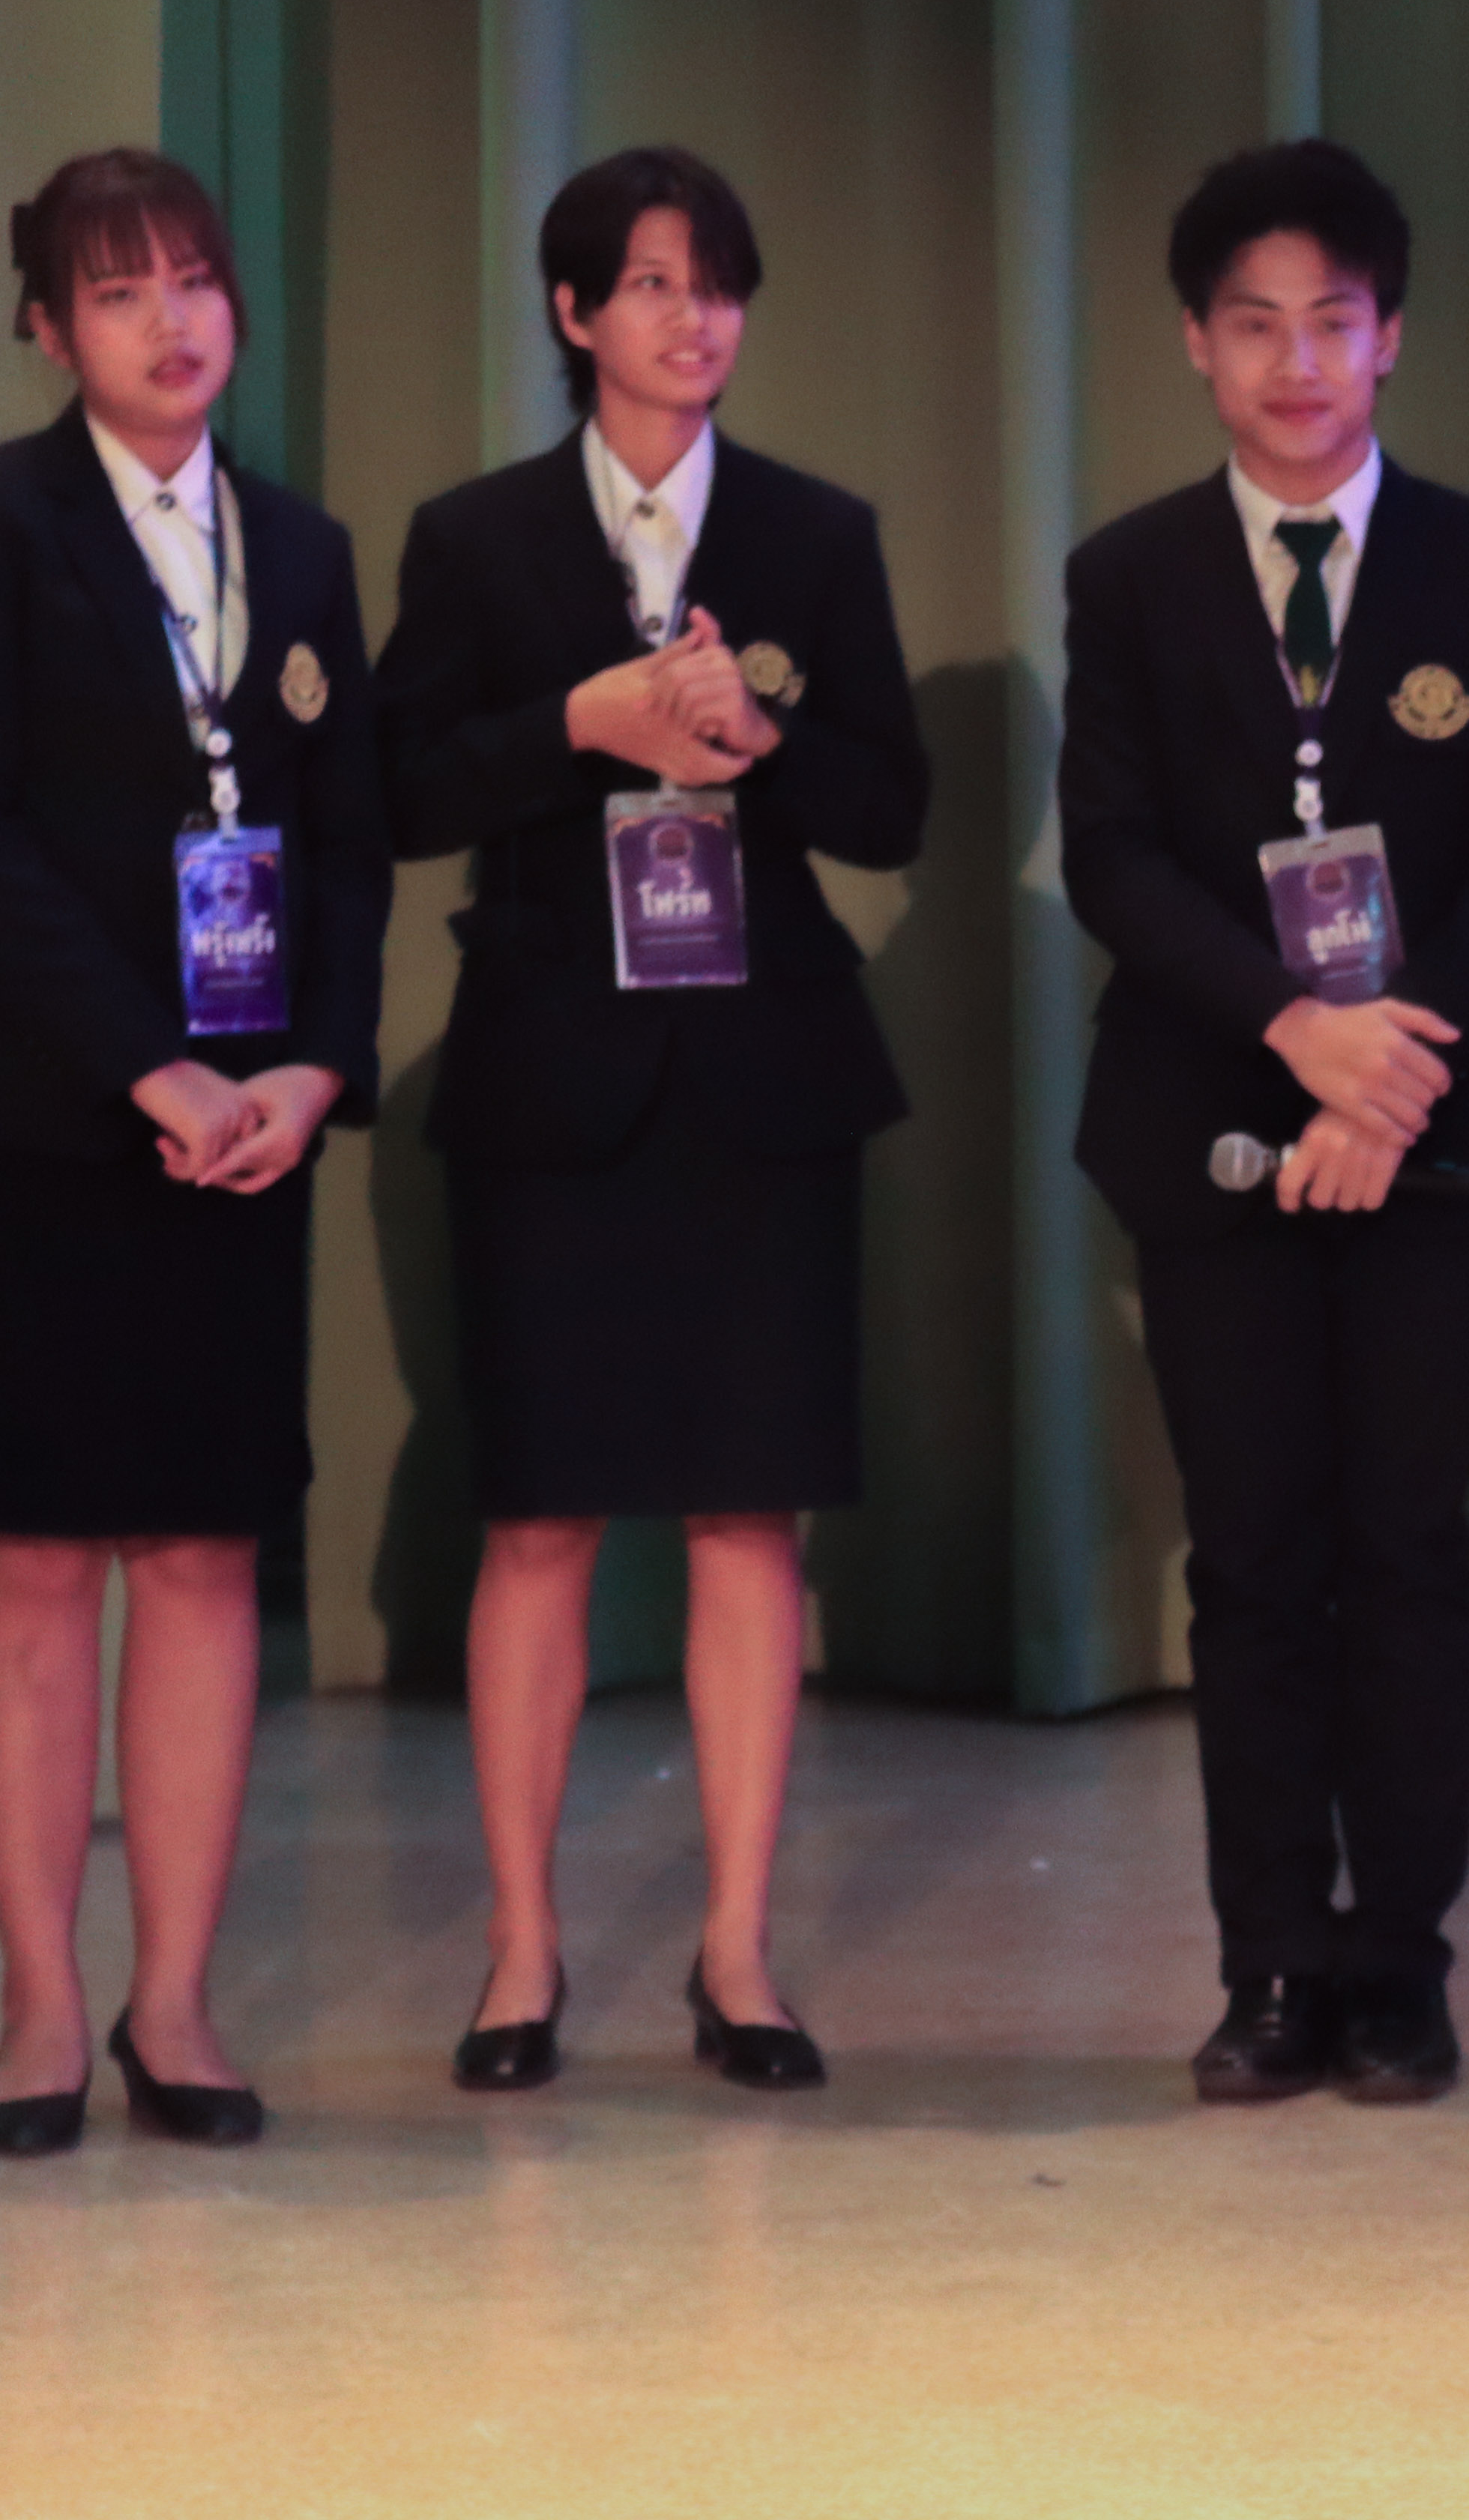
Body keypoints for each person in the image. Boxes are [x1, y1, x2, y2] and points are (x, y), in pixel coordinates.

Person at [375, 146, 930, 2097]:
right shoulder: (479, 539)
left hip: (762, 1076)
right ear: (572, 312)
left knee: (746, 1514)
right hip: (554, 1083)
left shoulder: (813, 533)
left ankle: (737, 1948)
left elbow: (893, 807)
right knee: (537, 1516)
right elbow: (398, 790)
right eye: (655, 284)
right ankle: (522, 1948)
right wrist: (577, 729)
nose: (696, 321)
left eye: (721, 285)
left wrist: (761, 741)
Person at [1060, 140, 1469, 2108]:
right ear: (1196, 346)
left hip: (1429, 1126)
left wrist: (1393, 1062)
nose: (1297, 363)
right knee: (1252, 1557)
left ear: (1391, 339)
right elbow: (1112, 855)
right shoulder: (1130, 577)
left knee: (1410, 1549)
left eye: (1332, 323)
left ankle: (1400, 1963)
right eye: (1255, 325)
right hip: (1215, 1128)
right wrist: (1298, 1035)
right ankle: (1271, 1959)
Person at [0, 149, 388, 2154]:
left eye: (195, 280)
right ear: (47, 329)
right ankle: (41, 2005)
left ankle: (177, 2001)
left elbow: (346, 846)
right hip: (54, 1122)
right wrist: (147, 1067)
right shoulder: (9, 524)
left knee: (208, 1551)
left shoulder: (302, 550)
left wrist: (313, 1071)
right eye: (120, 289)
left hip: (246, 1134)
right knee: (39, 1563)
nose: (173, 320)